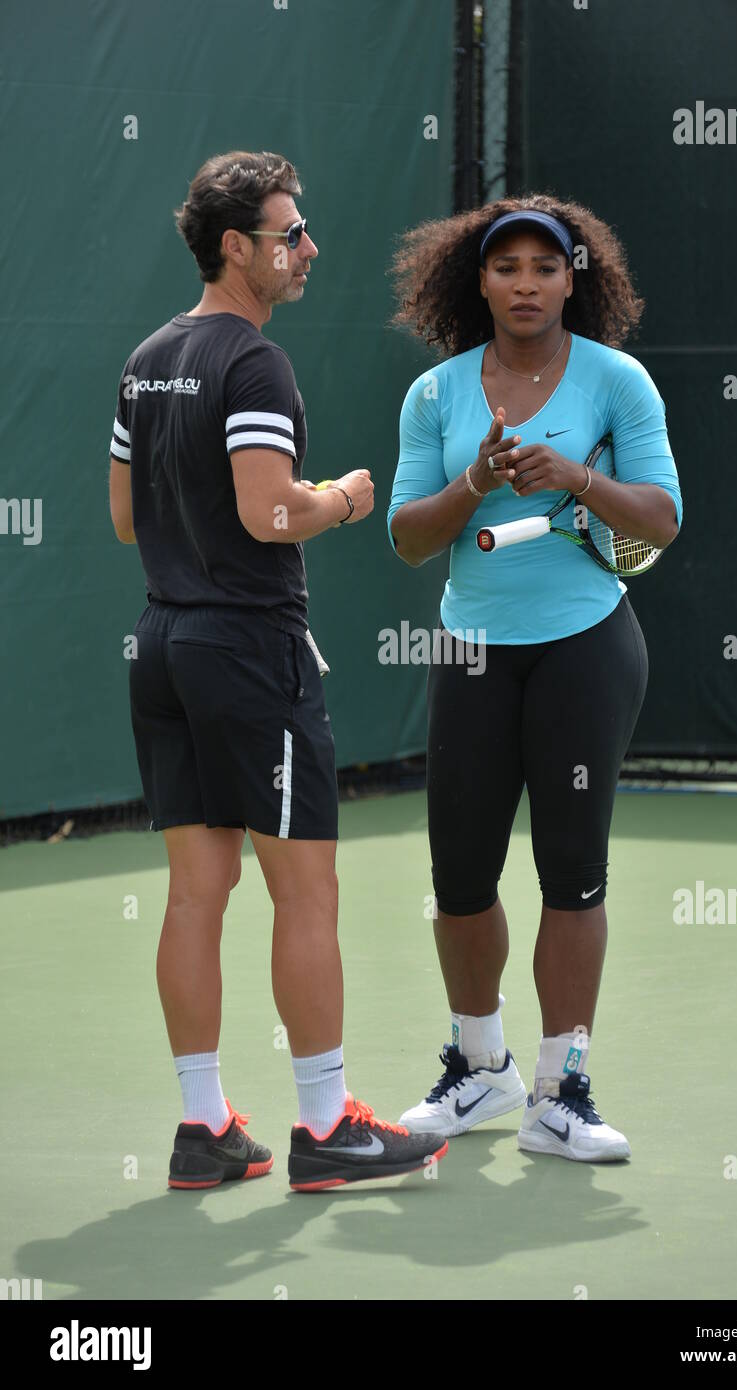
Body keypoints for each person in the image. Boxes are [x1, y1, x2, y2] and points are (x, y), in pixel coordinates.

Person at [108, 150, 447, 1191]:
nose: (309, 249)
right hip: (251, 652)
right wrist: (342, 494)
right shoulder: (255, 365)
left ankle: (203, 1130)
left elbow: (127, 522)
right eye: (289, 233)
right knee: (306, 892)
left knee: (193, 895)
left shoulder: (146, 357)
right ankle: (324, 1127)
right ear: (234, 248)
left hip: (163, 646)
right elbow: (269, 513)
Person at [387, 197, 682, 1162]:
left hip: (585, 648)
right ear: (475, 280)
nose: (524, 283)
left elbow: (659, 520)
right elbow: (405, 538)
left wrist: (572, 478)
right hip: (469, 651)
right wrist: (473, 481)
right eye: (505, 266)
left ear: (573, 278)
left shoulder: (617, 381)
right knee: (460, 877)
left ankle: (561, 1091)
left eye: (544, 267)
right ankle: (481, 1070)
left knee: (572, 873)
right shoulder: (434, 395)